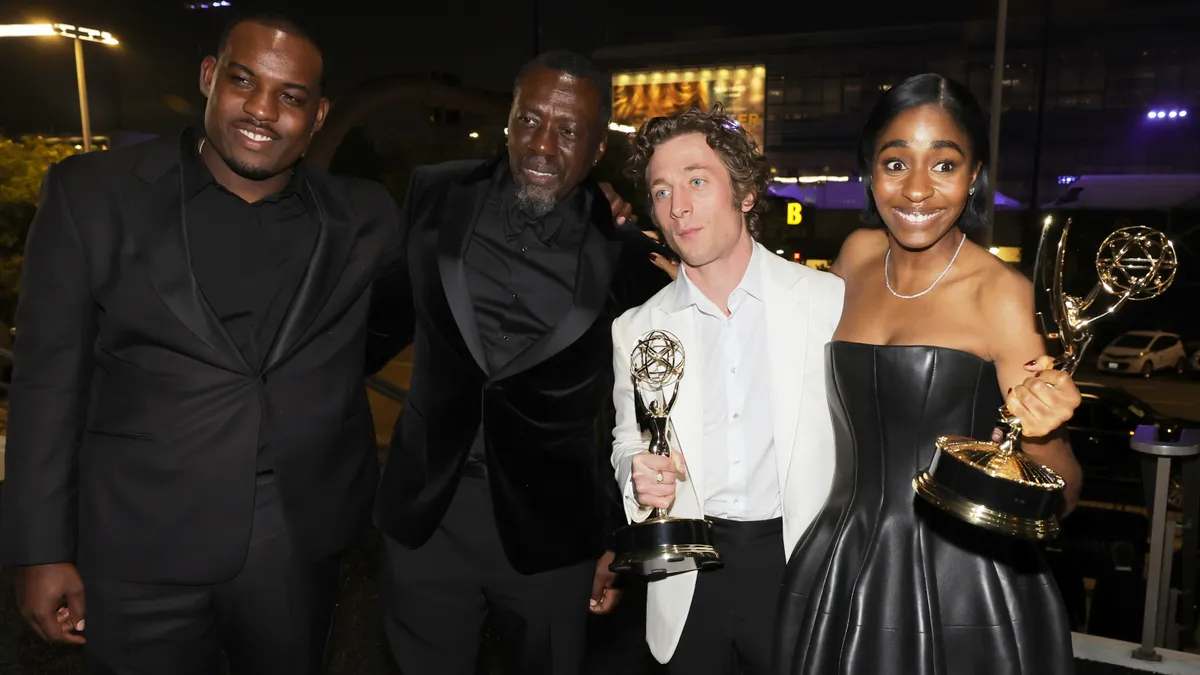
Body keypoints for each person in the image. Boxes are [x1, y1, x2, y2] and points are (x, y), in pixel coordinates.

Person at [0, 13, 402, 675]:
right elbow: (48, 383)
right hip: (135, 547)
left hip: (295, 545)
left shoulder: (364, 218)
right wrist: (39, 548)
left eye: (291, 96)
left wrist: (603, 217)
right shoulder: (91, 195)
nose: (263, 109)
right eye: (244, 80)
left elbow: (405, 311)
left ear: (319, 113)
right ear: (210, 77)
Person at [365, 50, 669, 675]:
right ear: (507, 120)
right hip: (427, 519)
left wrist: (621, 535)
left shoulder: (629, 258)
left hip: (554, 536)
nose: (542, 146)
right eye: (529, 120)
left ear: (594, 151)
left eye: (568, 131)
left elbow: (642, 413)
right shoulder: (433, 193)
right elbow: (371, 329)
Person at [773, 73, 1084, 675]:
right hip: (838, 557)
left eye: (944, 165)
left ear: (974, 177)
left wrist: (1042, 432)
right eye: (896, 163)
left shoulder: (1002, 294)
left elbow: (1065, 494)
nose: (917, 189)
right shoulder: (856, 257)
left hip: (961, 581)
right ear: (870, 172)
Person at [609, 105, 844, 675]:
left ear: (743, 193)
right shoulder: (637, 328)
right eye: (660, 190)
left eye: (696, 181)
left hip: (799, 569)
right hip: (687, 574)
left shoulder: (828, 302)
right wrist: (636, 471)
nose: (677, 206)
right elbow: (626, 441)